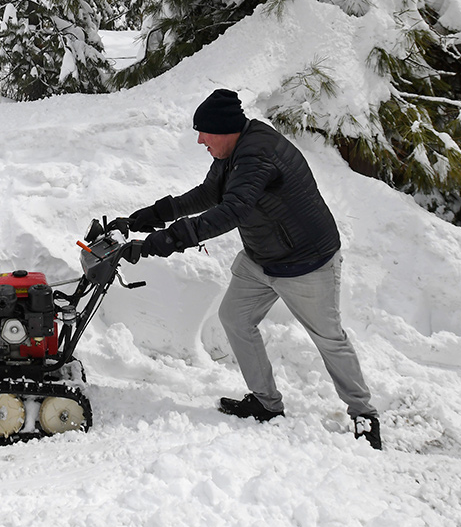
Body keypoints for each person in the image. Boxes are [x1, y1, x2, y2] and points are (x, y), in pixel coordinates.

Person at [124, 88, 381, 450]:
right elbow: (208, 195)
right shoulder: (234, 152)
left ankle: (363, 415)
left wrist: (163, 242)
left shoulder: (258, 155)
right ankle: (265, 402)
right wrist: (150, 217)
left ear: (226, 130)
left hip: (307, 263)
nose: (199, 140)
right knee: (234, 318)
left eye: (204, 132)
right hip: (262, 258)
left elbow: (231, 211)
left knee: (329, 338)